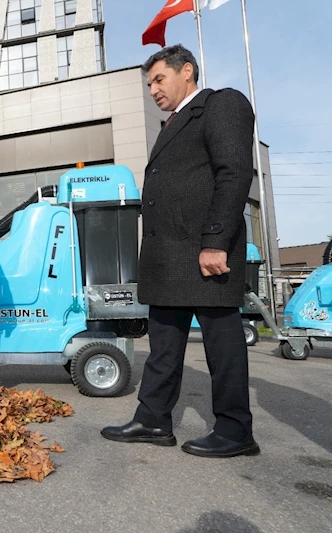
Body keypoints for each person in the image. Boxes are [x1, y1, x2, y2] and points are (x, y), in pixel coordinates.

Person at [101, 45, 260, 458]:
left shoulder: (220, 104)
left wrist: (215, 242)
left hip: (204, 253)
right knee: (164, 347)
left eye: (159, 79)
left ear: (186, 71)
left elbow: (234, 172)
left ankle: (235, 430)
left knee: (221, 347)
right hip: (168, 258)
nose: (153, 89)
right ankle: (153, 419)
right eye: (149, 83)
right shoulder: (172, 123)